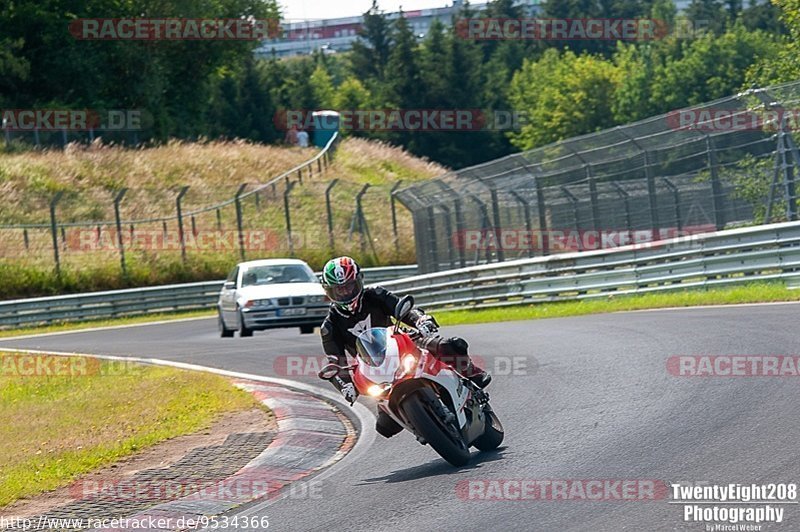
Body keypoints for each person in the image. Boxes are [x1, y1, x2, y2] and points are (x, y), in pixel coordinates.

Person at [318, 256, 491, 437]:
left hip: (403, 341)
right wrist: (345, 385)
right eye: (340, 289)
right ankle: (421, 426)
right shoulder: (329, 327)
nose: (345, 292)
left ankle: (471, 373)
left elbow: (404, 310)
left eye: (349, 286)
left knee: (451, 345)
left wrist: (420, 320)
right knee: (385, 427)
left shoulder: (375, 295)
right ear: (329, 291)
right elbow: (335, 362)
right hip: (373, 367)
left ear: (359, 282)